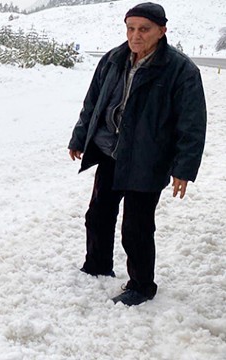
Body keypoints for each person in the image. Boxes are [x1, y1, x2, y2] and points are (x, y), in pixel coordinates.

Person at [67, 2, 207, 306]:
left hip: (149, 158)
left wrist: (183, 168)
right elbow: (93, 103)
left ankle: (142, 286)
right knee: (98, 215)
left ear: (161, 31)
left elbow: (192, 124)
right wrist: (79, 137)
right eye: (130, 28)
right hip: (109, 151)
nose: (136, 35)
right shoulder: (113, 59)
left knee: (137, 226)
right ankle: (98, 266)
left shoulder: (181, 71)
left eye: (144, 29)